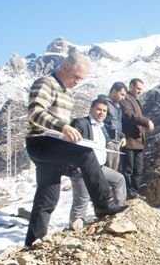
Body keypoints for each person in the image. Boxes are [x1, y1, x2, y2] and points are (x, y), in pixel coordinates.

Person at [25, 51, 128, 246]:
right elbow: (35, 113)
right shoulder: (45, 83)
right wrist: (63, 127)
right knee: (87, 155)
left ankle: (32, 242)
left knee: (48, 196)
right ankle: (103, 204)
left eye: (81, 79)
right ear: (64, 68)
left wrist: (66, 138)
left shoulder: (68, 93)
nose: (77, 82)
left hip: (54, 144)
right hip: (40, 142)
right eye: (76, 77)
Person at [69, 99, 127, 227]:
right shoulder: (80, 123)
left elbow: (115, 132)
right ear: (91, 109)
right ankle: (75, 227)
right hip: (82, 169)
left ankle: (117, 209)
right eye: (99, 109)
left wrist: (122, 137)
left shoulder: (103, 127)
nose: (102, 113)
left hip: (100, 168)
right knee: (82, 200)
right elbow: (69, 144)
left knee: (119, 179)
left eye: (104, 111)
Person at [119, 78, 154, 200]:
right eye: (138, 88)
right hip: (128, 141)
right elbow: (129, 115)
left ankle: (134, 192)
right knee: (128, 169)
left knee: (138, 169)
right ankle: (128, 193)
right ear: (131, 86)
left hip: (139, 142)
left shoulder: (136, 101)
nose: (140, 91)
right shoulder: (125, 99)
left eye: (141, 89)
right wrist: (147, 121)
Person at [98, 82, 127, 171]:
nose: (123, 98)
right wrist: (107, 140)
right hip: (107, 142)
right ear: (114, 91)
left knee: (114, 172)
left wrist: (123, 136)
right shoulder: (103, 103)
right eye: (121, 94)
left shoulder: (117, 108)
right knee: (106, 170)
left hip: (117, 142)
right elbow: (99, 122)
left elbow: (118, 125)